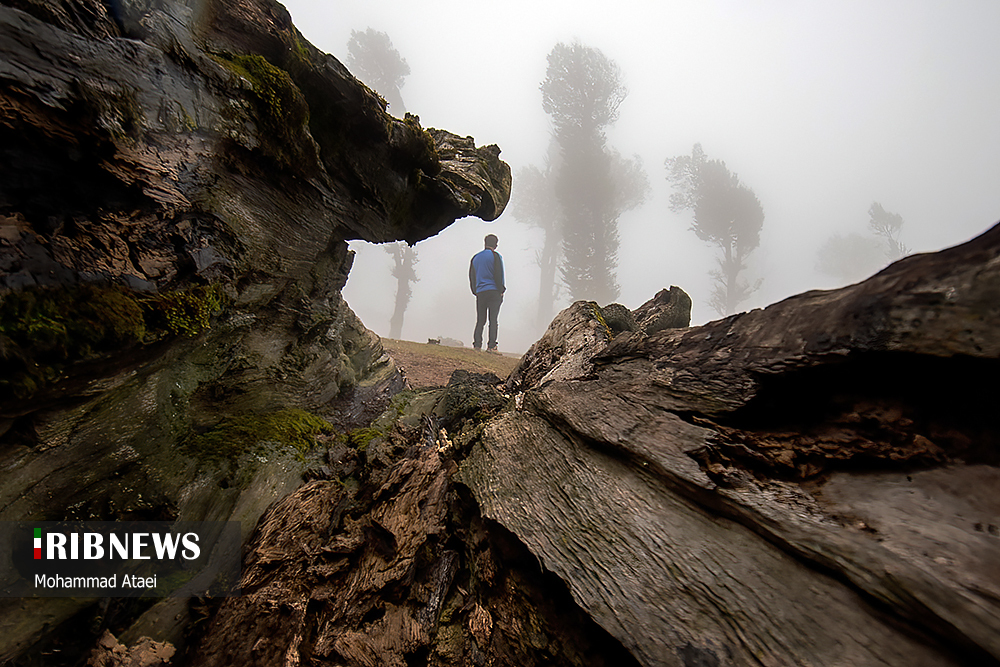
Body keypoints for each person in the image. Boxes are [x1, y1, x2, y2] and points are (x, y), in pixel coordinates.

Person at [469, 233, 505, 352]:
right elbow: (499, 274)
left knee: (480, 320)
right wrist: (501, 290)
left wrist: (475, 291)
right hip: (494, 291)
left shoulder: (475, 257)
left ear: (485, 243)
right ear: (495, 244)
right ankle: (491, 346)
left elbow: (472, 276)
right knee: (493, 320)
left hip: (481, 292)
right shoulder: (496, 256)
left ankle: (477, 345)